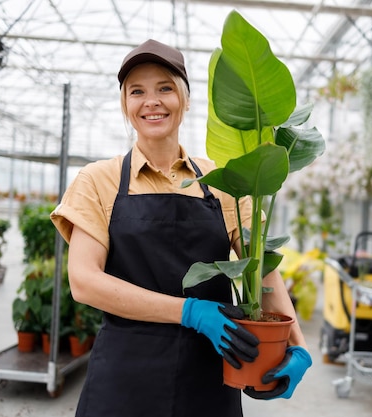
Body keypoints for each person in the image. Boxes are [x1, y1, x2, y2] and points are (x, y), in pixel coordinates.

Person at [50, 39, 311, 417]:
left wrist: (297, 344)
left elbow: (263, 270)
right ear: (125, 105)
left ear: (186, 101)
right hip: (125, 376)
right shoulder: (97, 180)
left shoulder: (228, 181)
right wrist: (190, 311)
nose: (151, 101)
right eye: (136, 91)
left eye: (165, 88)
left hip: (209, 373)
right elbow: (84, 281)